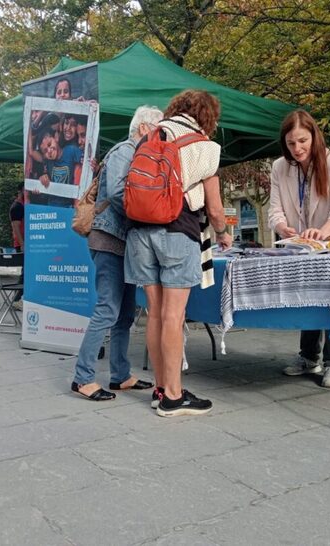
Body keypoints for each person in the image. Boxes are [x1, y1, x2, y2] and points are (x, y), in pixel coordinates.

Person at [125, 90, 232, 417]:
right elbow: (214, 209)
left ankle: (160, 388)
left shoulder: (152, 135)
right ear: (207, 116)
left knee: (155, 315)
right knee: (174, 315)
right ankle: (173, 396)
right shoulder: (204, 146)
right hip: (177, 231)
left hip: (139, 232)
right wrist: (223, 233)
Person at [71, 106, 164, 401]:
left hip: (122, 243)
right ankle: (82, 378)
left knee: (124, 315)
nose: (162, 138)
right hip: (109, 240)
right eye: (160, 131)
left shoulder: (134, 154)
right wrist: (152, 213)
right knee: (107, 310)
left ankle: (120, 375)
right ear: (145, 129)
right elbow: (118, 193)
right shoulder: (126, 151)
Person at [268, 109, 330, 388]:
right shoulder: (279, 167)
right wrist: (282, 227)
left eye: (302, 141)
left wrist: (323, 231)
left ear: (314, 137)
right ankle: (309, 356)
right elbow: (274, 210)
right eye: (291, 143)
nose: (297, 149)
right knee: (308, 294)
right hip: (306, 245)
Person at [9, 183, 26, 310]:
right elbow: (15, 228)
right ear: (20, 191)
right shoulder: (17, 207)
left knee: (26, 272)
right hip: (22, 245)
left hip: (28, 244)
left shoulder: (26, 204)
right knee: (25, 273)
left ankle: (19, 298)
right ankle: (17, 299)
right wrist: (22, 244)